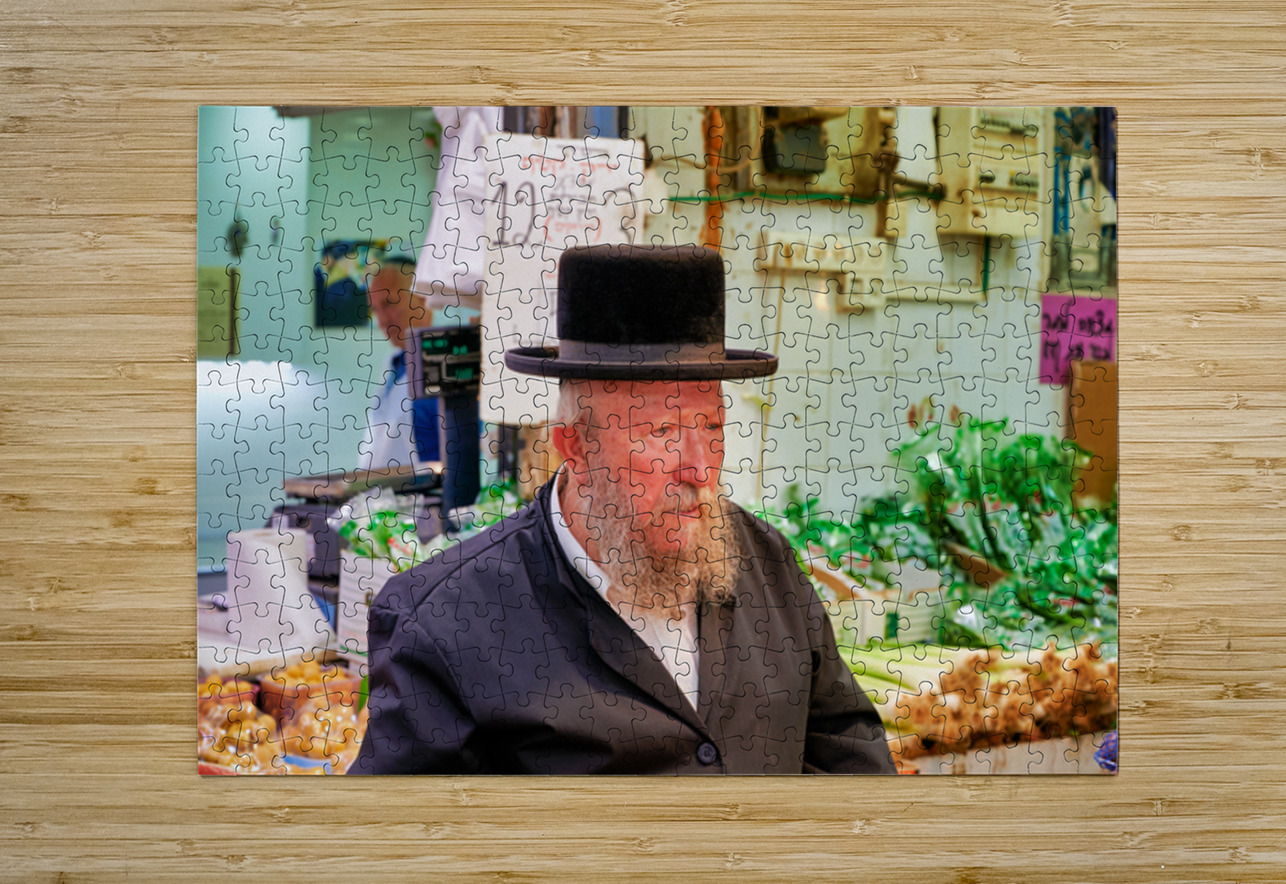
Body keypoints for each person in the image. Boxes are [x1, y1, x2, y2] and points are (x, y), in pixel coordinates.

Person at [351, 244, 895, 775]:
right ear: (574, 445)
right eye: (659, 431)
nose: (699, 469)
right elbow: (406, 846)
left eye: (712, 428)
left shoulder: (767, 560)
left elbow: (848, 758)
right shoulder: (442, 621)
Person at [356, 256, 440, 473]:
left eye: (389, 303)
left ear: (422, 297)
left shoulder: (447, 366)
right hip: (377, 501)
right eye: (375, 309)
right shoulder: (394, 366)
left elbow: (463, 456)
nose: (382, 320)